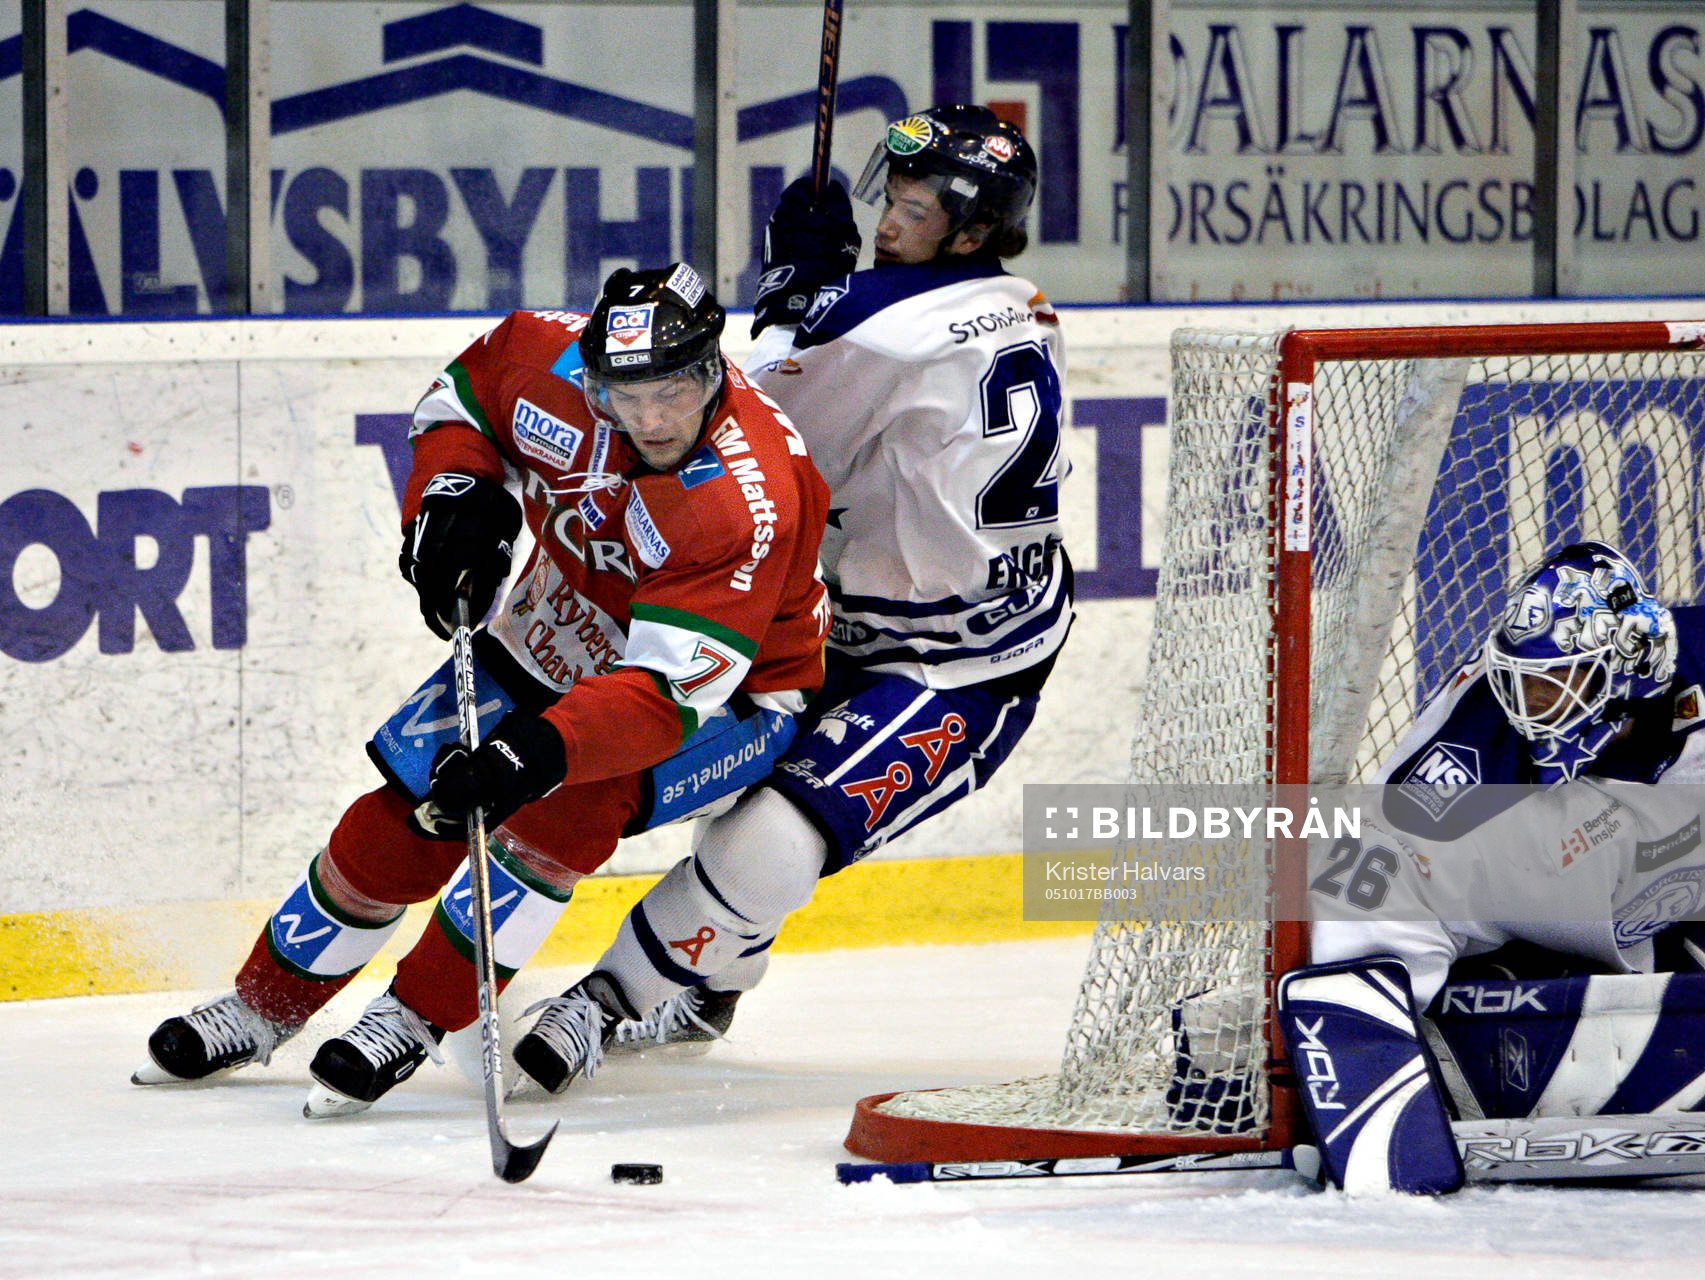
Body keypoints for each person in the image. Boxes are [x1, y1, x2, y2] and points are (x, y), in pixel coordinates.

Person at [133, 262, 831, 1116]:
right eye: (626, 394)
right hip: (552, 631)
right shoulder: (543, 356)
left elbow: (660, 697)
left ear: (712, 368)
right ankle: (263, 1005)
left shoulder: (741, 499)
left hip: (729, 696)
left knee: (556, 812)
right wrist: (454, 491)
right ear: (590, 373)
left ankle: (412, 1017)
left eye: (673, 392)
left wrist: (531, 752)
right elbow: (456, 404)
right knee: (405, 815)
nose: (650, 418)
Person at [507, 104, 1073, 1093]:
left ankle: (605, 1002)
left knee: (772, 829)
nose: (890, 223)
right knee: (721, 776)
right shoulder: (1014, 297)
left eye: (917, 211)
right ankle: (711, 976)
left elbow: (724, 416)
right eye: (890, 200)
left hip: (958, 665)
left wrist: (787, 299)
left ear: (972, 231)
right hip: (866, 620)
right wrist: (824, 295)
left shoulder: (882, 328)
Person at [1282, 540, 1705, 1193]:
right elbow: (1385, 846)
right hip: (1610, 865)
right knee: (1370, 863)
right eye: (1523, 679)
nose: (1528, 703)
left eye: (1554, 682)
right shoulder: (1476, 730)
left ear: (1627, 676)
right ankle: (1383, 1086)